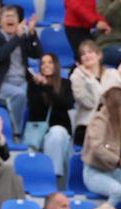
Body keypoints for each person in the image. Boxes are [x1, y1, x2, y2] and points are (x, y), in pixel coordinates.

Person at [0, 6, 42, 138]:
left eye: (13, 16)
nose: (10, 19)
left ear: (19, 21)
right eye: (7, 16)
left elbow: (37, 54)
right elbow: (0, 55)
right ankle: (16, 133)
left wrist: (32, 33)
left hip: (22, 80)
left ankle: (34, 137)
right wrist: (17, 37)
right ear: (0, 22)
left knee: (39, 93)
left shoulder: (23, 36)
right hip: (1, 83)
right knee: (20, 95)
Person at [81, 85, 121, 205]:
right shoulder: (99, 120)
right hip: (95, 172)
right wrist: (118, 161)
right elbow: (97, 147)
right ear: (117, 104)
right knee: (119, 192)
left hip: (113, 170)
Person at [26, 53, 75, 185]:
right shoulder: (33, 85)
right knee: (52, 136)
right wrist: (39, 86)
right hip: (40, 134)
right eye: (43, 63)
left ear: (56, 65)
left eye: (50, 62)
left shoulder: (65, 83)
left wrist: (47, 86)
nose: (46, 65)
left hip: (61, 133)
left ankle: (52, 175)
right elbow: (34, 111)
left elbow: (66, 104)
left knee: (57, 132)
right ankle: (51, 177)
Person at [71, 39, 121, 145]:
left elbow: (120, 98)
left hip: (111, 124)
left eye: (90, 52)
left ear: (99, 55)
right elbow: (91, 103)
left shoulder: (112, 73)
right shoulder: (76, 76)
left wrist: (120, 76)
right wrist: (90, 80)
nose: (87, 56)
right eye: (83, 54)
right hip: (87, 125)